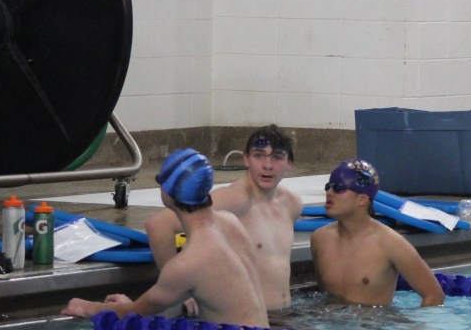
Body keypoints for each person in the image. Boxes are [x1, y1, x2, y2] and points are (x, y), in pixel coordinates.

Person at [62, 149, 269, 328]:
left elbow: (136, 313)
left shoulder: (187, 263)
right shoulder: (231, 223)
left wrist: (88, 306)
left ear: (167, 193)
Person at [145, 124, 303, 313]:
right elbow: (158, 224)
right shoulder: (237, 199)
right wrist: (179, 293)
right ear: (246, 159)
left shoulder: (292, 204)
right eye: (259, 155)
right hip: (243, 324)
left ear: (289, 163)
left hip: (285, 317)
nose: (267, 165)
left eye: (277, 157)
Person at [310, 159, 445, 307]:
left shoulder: (391, 244)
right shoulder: (320, 239)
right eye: (328, 186)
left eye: (338, 188)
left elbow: (435, 296)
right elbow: (324, 296)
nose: (329, 193)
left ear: (362, 199)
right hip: (332, 321)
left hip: (376, 321)